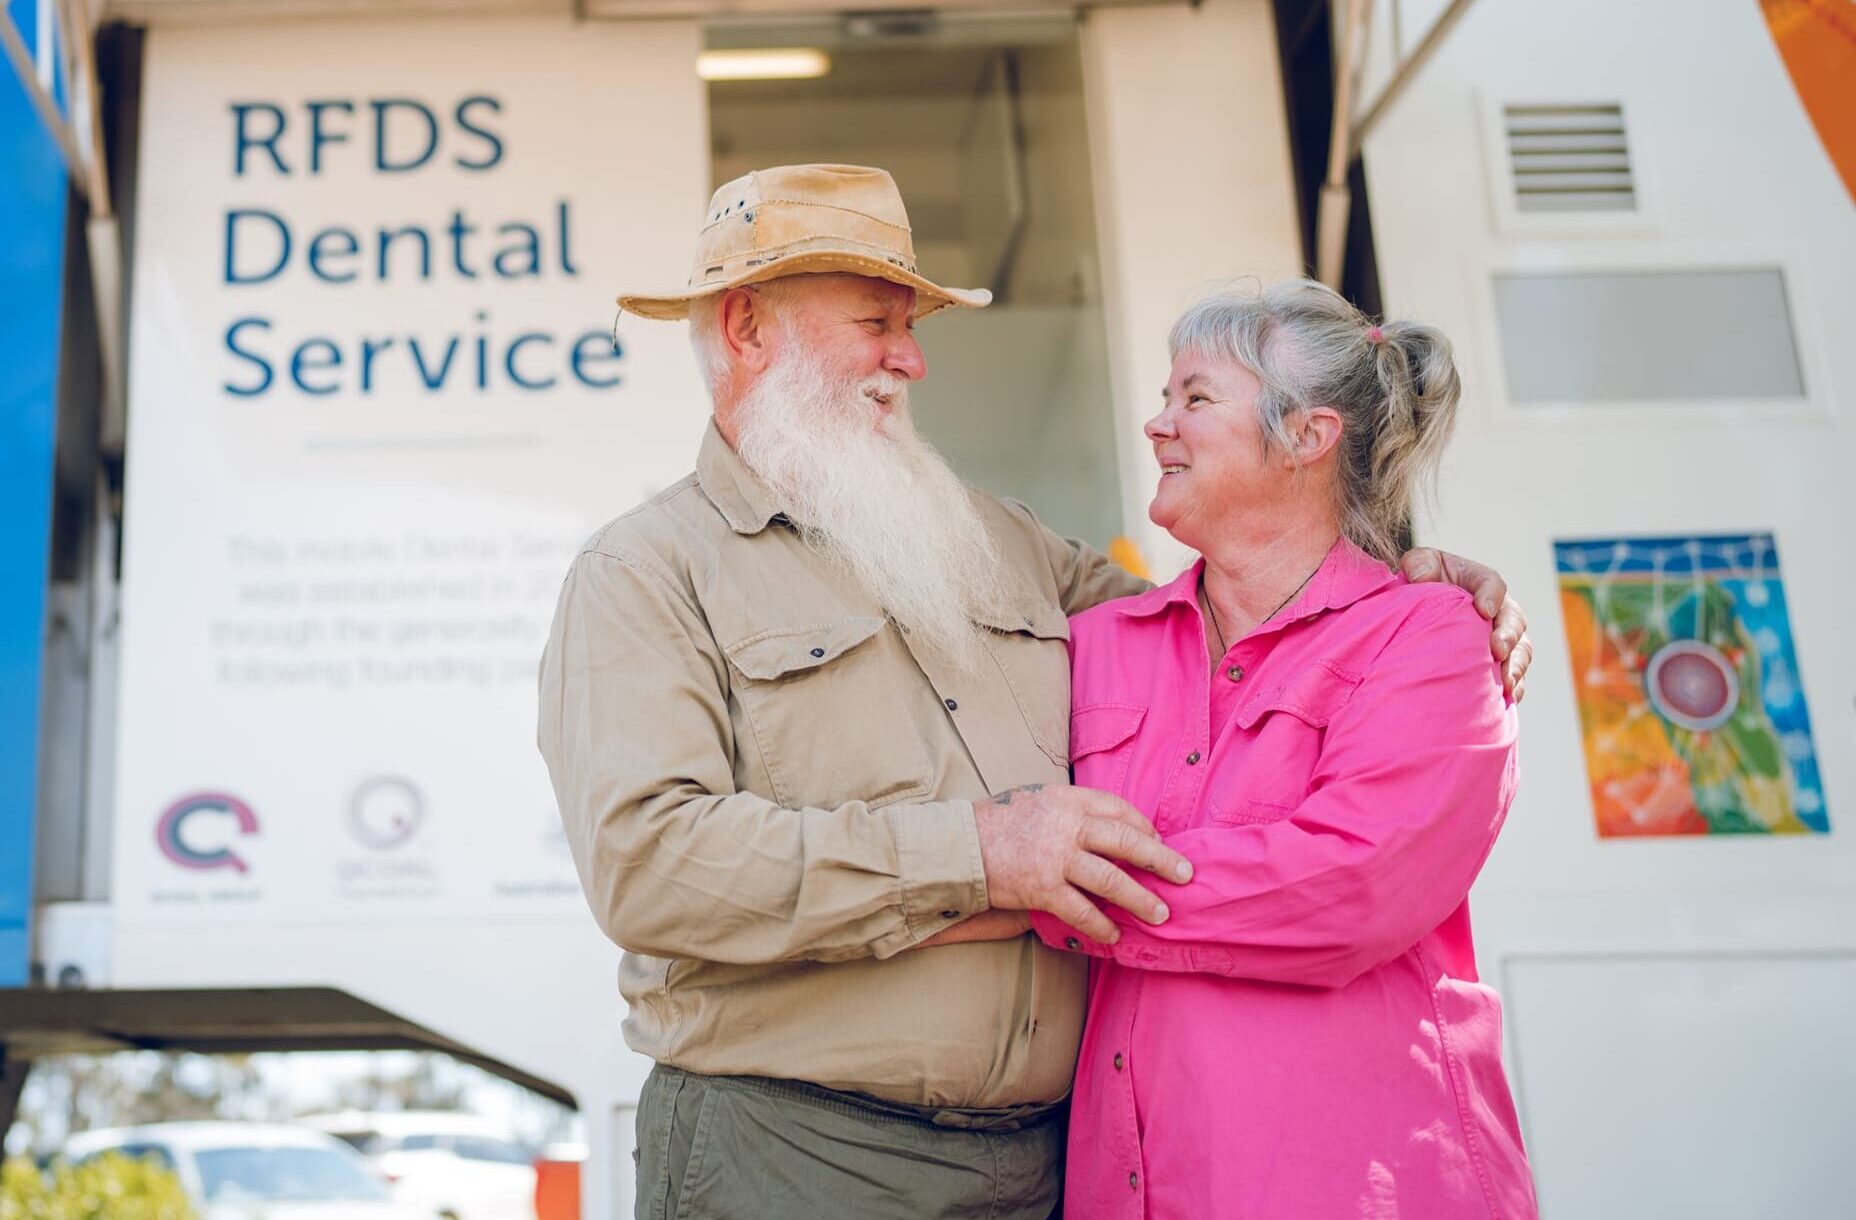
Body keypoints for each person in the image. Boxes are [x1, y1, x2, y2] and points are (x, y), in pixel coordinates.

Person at [537, 164, 1531, 1219]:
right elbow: (647, 865)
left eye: (909, 324)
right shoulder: (646, 571)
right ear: (745, 328)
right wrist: (981, 855)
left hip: (1058, 1164)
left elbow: (1245, 618)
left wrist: (1418, 570)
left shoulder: (999, 538)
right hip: (797, 1152)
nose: (909, 358)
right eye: (876, 321)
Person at [1030, 281, 1538, 1218]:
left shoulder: (1430, 639)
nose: (1156, 423)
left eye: (1195, 398)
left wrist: (1060, 882)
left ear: (1309, 435)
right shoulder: (1100, 641)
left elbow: (1350, 886)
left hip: (1360, 1181)